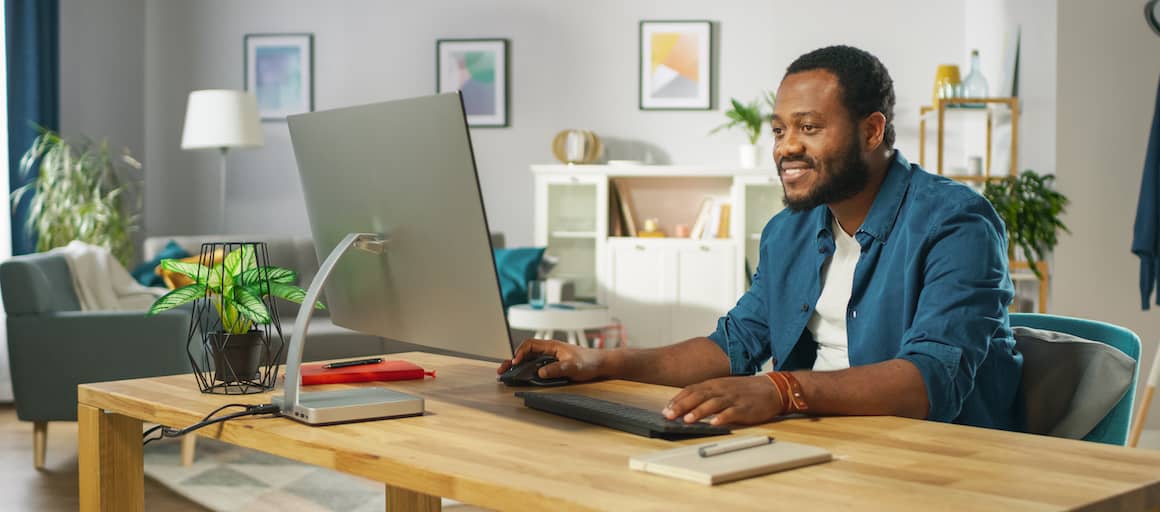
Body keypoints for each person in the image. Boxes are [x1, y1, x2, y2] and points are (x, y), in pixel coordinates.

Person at [499, 45, 1022, 431]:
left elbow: (928, 381)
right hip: (818, 441)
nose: (786, 147)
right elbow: (735, 345)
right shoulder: (788, 231)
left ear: (872, 131)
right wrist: (600, 362)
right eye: (778, 130)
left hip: (935, 459)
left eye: (809, 128)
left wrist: (780, 389)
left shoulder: (957, 224)